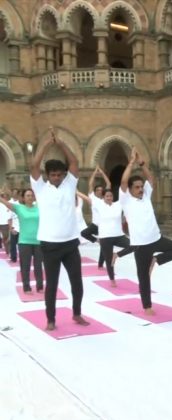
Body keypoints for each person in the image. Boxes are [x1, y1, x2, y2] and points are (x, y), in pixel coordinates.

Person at [30, 127, 88, 330]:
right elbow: (34, 165)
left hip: (71, 243)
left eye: (59, 175)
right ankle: (51, 319)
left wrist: (60, 143)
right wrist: (46, 144)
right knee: (52, 285)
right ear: (48, 175)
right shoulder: (40, 188)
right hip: (49, 244)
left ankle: (77, 313)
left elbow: (74, 163)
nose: (56, 177)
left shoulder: (69, 184)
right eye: (53, 174)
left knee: (77, 283)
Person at [119, 147, 172, 314]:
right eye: (137, 187)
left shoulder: (146, 196)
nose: (141, 189)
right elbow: (123, 182)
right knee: (143, 277)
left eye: (141, 187)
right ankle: (147, 306)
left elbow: (151, 178)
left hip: (156, 239)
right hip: (141, 245)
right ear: (130, 189)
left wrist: (141, 163)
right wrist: (131, 163)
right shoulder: (126, 200)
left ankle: (156, 260)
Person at [0, 190, 43, 293]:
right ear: (23, 198)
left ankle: (40, 286)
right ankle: (26, 287)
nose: (30, 197)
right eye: (27, 195)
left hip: (38, 242)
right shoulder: (19, 208)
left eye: (32, 195)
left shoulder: (39, 207)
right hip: (24, 241)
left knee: (38, 266)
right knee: (25, 266)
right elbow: (6, 203)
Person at [94, 187, 134, 288]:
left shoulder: (118, 204)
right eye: (107, 196)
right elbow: (88, 198)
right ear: (103, 197)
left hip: (118, 235)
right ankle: (112, 279)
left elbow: (126, 195)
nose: (109, 197)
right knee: (108, 260)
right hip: (105, 237)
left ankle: (116, 255)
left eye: (111, 196)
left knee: (134, 245)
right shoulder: (98, 205)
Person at [81, 167, 111, 268]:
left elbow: (108, 184)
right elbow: (90, 184)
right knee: (84, 233)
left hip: (103, 226)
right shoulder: (92, 197)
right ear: (95, 191)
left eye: (101, 190)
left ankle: (100, 264)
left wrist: (102, 173)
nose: (99, 191)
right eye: (97, 190)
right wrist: (94, 172)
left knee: (104, 246)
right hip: (95, 225)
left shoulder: (105, 199)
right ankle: (97, 241)